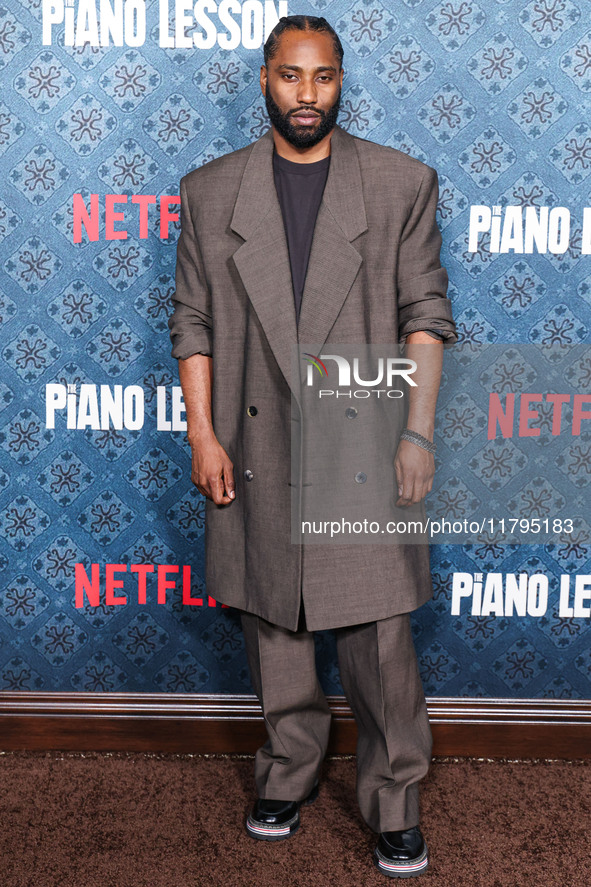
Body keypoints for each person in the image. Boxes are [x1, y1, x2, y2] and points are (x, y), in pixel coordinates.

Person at [169, 14, 457, 879]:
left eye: (323, 77)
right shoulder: (210, 192)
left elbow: (426, 318)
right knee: (273, 618)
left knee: (376, 635)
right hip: (256, 439)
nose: (306, 94)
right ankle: (287, 772)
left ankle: (393, 799)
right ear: (264, 79)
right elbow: (192, 320)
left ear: (341, 81)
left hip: (363, 437)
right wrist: (202, 430)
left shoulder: (400, 183)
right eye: (290, 77)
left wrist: (414, 432)